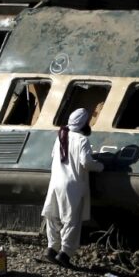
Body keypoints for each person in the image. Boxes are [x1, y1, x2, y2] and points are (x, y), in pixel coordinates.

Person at [41, 108, 104, 266]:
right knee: (71, 220)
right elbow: (87, 163)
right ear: (83, 123)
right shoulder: (82, 140)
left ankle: (51, 249)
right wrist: (101, 166)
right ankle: (65, 254)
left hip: (55, 182)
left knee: (53, 216)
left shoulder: (61, 136)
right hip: (72, 185)